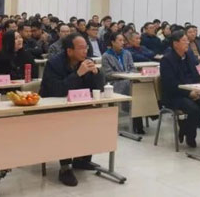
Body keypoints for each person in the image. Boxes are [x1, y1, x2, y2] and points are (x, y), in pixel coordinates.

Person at [40, 33, 104, 187]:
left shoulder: (87, 61)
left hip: (78, 105)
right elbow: (56, 90)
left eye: (86, 47)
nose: (85, 51)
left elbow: (98, 88)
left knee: (94, 116)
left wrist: (97, 74)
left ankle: (82, 159)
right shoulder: (54, 64)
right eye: (81, 48)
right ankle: (65, 168)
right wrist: (78, 74)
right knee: (66, 124)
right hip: (54, 108)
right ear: (69, 51)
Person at [159, 30, 200, 148]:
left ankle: (184, 129)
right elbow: (170, 84)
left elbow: (196, 76)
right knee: (193, 109)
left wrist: (199, 90)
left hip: (190, 92)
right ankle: (190, 136)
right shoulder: (167, 60)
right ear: (175, 44)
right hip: (174, 96)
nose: (187, 43)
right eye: (184, 40)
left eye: (187, 40)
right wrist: (189, 93)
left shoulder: (188, 57)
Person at [100, 33, 144, 133]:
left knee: (139, 84)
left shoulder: (127, 53)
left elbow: (132, 68)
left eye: (123, 40)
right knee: (130, 85)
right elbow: (108, 74)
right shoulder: (106, 56)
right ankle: (136, 121)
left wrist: (130, 74)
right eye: (120, 40)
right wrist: (124, 75)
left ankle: (142, 115)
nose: (122, 43)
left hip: (128, 80)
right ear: (113, 42)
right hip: (113, 83)